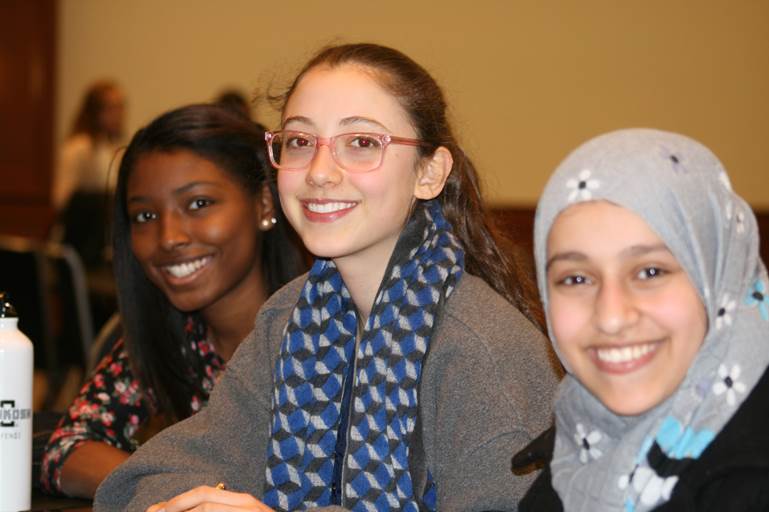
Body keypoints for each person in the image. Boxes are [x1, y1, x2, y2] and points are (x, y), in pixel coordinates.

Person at [94, 43, 560, 511]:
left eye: (361, 143)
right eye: (300, 142)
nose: (318, 172)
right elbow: (144, 479)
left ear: (430, 173)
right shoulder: (292, 319)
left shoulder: (481, 346)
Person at [41, 104, 307, 499]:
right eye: (145, 216)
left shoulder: (322, 336)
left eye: (198, 204)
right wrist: (176, 489)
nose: (168, 237)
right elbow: (66, 449)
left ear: (264, 204)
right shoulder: (175, 336)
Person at [514, 128, 769, 511]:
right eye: (576, 279)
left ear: (720, 275)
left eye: (650, 272)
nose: (612, 317)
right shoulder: (572, 455)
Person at [52, 79, 126, 269]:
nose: (118, 114)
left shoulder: (115, 148)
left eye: (120, 107)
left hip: (108, 237)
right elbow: (61, 198)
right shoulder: (79, 148)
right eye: (111, 108)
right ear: (95, 111)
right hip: (84, 240)